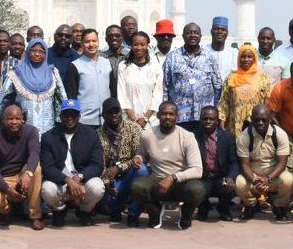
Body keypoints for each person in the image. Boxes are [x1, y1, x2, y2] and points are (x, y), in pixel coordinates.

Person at [130, 101, 205, 229]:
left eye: (171, 114)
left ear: (177, 116)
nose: (168, 117)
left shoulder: (187, 137)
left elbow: (197, 170)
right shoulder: (147, 135)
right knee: (136, 187)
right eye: (164, 114)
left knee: (198, 190)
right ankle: (155, 212)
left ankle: (186, 215)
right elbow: (142, 153)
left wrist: (173, 177)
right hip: (157, 181)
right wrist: (138, 158)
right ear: (158, 115)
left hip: (180, 182)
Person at [40, 99, 106, 226]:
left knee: (98, 187)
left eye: (74, 115)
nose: (70, 118)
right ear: (60, 116)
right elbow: (47, 167)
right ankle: (59, 211)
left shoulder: (91, 135)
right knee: (47, 189)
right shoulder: (48, 137)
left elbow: (97, 165)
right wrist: (67, 180)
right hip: (60, 182)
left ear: (79, 116)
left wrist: (79, 177)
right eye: (66, 115)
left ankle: (84, 211)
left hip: (82, 182)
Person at [0, 104, 45, 230]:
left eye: (18, 119)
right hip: (5, 178)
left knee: (37, 169)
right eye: (10, 119)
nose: (14, 122)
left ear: (22, 120)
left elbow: (34, 154)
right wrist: (7, 189)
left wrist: (28, 173)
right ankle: (5, 212)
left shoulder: (31, 131)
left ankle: (35, 215)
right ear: (3, 120)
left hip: (23, 175)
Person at [234, 104, 292, 222]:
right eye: (256, 120)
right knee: (239, 182)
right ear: (251, 119)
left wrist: (268, 178)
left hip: (273, 175)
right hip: (253, 176)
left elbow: (282, 163)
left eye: (264, 120)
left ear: (270, 118)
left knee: (288, 180)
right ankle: (252, 205)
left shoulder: (280, 134)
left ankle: (279, 206)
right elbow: (244, 164)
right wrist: (255, 180)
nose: (260, 123)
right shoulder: (244, 137)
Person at [0, 37, 67, 136]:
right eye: (33, 51)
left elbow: (62, 99)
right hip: (21, 129)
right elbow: (3, 100)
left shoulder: (52, 72)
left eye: (41, 51)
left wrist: (61, 123)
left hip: (48, 129)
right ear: (27, 52)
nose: (37, 54)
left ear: (45, 54)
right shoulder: (16, 73)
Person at [162, 22, 222, 131]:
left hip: (205, 117)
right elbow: (166, 86)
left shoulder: (210, 57)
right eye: (188, 33)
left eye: (196, 33)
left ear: (200, 36)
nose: (192, 35)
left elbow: (218, 86)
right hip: (180, 116)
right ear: (183, 36)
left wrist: (215, 109)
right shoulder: (172, 57)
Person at [96, 98, 147, 226]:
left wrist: (119, 168)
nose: (114, 115)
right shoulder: (97, 134)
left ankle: (133, 214)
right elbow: (98, 161)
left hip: (129, 173)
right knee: (106, 201)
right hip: (110, 178)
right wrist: (106, 182)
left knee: (142, 170)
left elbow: (140, 155)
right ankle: (116, 209)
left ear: (121, 112)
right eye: (109, 112)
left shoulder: (134, 128)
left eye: (116, 111)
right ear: (103, 115)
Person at [193, 106, 238, 221]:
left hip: (220, 178)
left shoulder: (227, 137)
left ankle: (223, 209)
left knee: (229, 184)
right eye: (205, 118)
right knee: (192, 187)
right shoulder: (192, 137)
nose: (208, 121)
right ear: (200, 120)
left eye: (211, 119)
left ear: (217, 121)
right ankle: (204, 208)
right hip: (202, 178)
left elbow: (234, 162)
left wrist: (231, 177)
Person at [217, 44, 273, 136]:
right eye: (243, 57)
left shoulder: (263, 78)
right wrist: (222, 124)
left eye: (249, 57)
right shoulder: (231, 78)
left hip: (257, 124)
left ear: (254, 58)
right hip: (234, 126)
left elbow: (268, 101)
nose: (246, 59)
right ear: (239, 58)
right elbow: (224, 103)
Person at [65, 28, 115, 127]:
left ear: (98, 42)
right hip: (84, 121)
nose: (91, 44)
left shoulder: (107, 63)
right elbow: (71, 95)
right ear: (82, 44)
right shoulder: (75, 65)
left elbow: (113, 91)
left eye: (94, 41)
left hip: (107, 120)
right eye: (87, 42)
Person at [117, 31, 163, 128]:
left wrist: (145, 118)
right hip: (129, 121)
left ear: (147, 46)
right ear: (131, 46)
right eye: (135, 44)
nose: (139, 48)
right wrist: (134, 119)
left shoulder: (155, 67)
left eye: (142, 44)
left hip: (151, 121)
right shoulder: (123, 66)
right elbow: (122, 95)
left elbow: (158, 95)